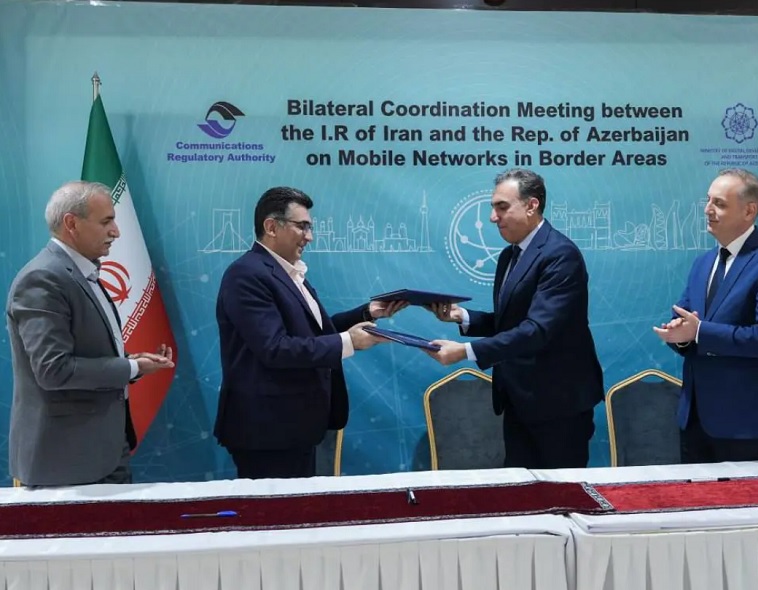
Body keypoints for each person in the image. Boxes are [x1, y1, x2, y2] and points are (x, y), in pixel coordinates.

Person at [214, 186, 405, 479]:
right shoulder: (247, 274)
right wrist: (349, 342)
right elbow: (275, 348)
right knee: (277, 508)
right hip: (267, 431)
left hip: (294, 426)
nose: (309, 236)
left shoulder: (287, 272)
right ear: (271, 227)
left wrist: (368, 313)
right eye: (302, 226)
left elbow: (313, 332)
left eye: (310, 227)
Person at [425, 168, 604, 469]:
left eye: (502, 207)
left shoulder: (561, 255)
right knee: (520, 489)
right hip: (519, 400)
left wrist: (466, 352)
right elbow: (513, 322)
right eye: (493, 207)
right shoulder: (509, 255)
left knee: (559, 492)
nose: (492, 217)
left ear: (532, 205)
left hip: (558, 405)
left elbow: (537, 330)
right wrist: (462, 317)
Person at [6, 181, 175, 487]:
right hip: (66, 460)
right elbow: (53, 370)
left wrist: (132, 363)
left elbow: (83, 352)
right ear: (71, 223)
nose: (116, 232)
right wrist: (130, 367)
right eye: (106, 221)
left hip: (104, 448)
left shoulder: (82, 273)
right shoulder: (43, 278)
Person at [654, 168, 758, 463]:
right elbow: (687, 319)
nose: (708, 210)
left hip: (746, 424)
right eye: (708, 200)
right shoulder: (703, 262)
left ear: (749, 211)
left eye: (719, 203)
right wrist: (680, 334)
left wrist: (698, 332)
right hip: (695, 419)